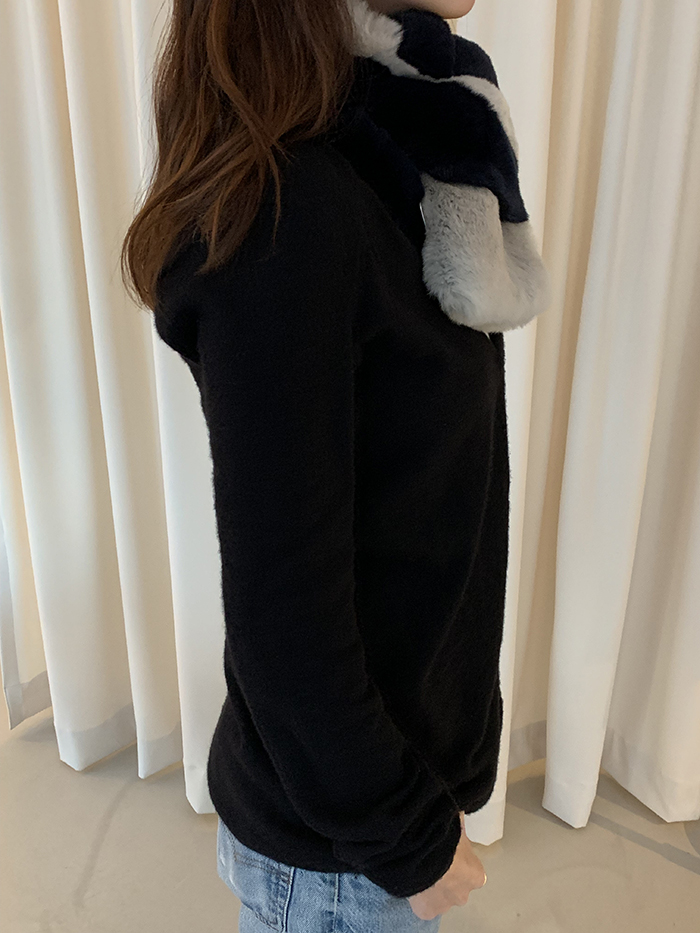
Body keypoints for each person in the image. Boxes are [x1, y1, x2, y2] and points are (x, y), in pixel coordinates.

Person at [121, 0, 549, 929]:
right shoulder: (294, 212)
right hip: (343, 855)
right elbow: (284, 615)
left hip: (382, 791)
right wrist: (405, 837)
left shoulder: (407, 140)